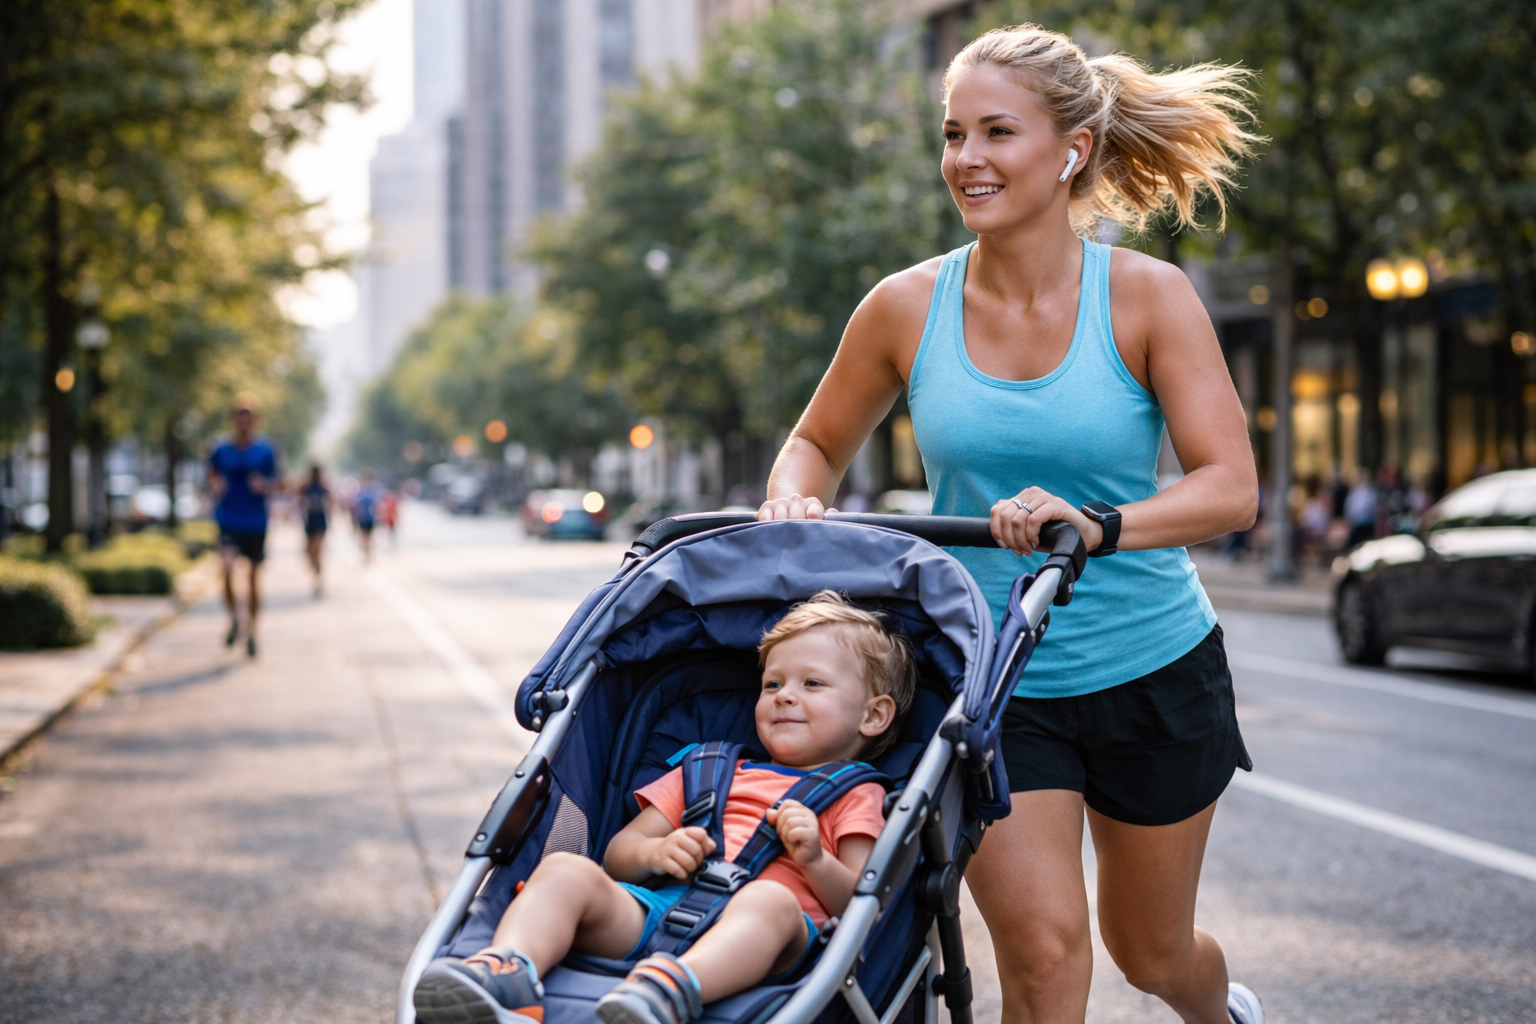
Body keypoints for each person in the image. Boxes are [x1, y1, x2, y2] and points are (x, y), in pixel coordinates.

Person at [758, 25, 1265, 1024]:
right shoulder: (904, 307)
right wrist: (793, 498)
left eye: (997, 131)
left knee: (1151, 949)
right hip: (992, 678)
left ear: (1071, 150)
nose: (967, 159)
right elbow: (812, 441)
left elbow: (1230, 486)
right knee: (1038, 950)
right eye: (953, 134)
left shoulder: (1149, 297)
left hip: (1152, 667)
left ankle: (1219, 1011)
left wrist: (1099, 523)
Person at [412, 592, 915, 1024]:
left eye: (812, 684)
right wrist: (656, 854)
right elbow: (618, 853)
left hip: (766, 942)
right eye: (772, 684)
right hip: (656, 914)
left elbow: (861, 903)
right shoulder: (706, 769)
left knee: (770, 902)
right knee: (566, 869)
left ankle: (672, 990)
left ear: (873, 716)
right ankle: (509, 968)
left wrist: (814, 861)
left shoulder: (858, 794)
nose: (784, 696)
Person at [207, 395, 278, 658]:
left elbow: (278, 482)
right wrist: (215, 485)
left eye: (249, 418)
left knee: (253, 579)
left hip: (256, 522)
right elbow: (211, 475)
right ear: (234, 421)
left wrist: (264, 485)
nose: (244, 423)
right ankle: (235, 618)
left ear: (255, 421)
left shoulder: (266, 450)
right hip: (228, 518)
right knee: (225, 570)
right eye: (239, 418)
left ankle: (253, 630)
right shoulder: (220, 449)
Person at [300, 464, 330, 597]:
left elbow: (330, 502)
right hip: (309, 521)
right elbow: (299, 502)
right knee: (311, 551)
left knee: (318, 550)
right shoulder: (306, 487)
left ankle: (318, 579)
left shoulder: (323, 487)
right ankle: (315, 571)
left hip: (319, 521)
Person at [352, 471, 382, 563]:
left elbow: (378, 504)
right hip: (363, 518)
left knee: (369, 536)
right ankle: (366, 554)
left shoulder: (374, 489)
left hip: (370, 518)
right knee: (364, 536)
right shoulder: (361, 489)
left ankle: (368, 554)